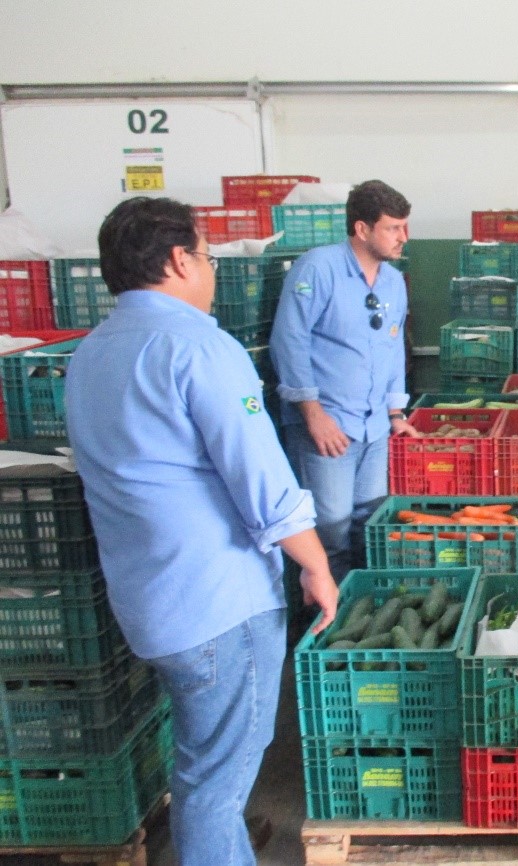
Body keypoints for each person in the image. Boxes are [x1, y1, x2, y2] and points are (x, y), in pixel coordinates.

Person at [65, 197, 339, 866]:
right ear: (179, 260)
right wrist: (315, 564)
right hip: (220, 603)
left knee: (200, 772)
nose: (211, 270)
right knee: (216, 787)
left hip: (150, 604)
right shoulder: (197, 345)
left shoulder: (89, 355)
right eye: (209, 256)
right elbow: (261, 481)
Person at [270, 180, 419, 582]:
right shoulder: (318, 268)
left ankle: (358, 608)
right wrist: (313, 413)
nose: (403, 237)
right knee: (330, 527)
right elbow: (290, 340)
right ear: (362, 229)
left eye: (405, 226)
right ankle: (321, 619)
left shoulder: (391, 282)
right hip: (329, 425)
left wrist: (395, 411)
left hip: (373, 428)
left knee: (367, 523)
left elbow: (393, 347)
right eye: (393, 228)